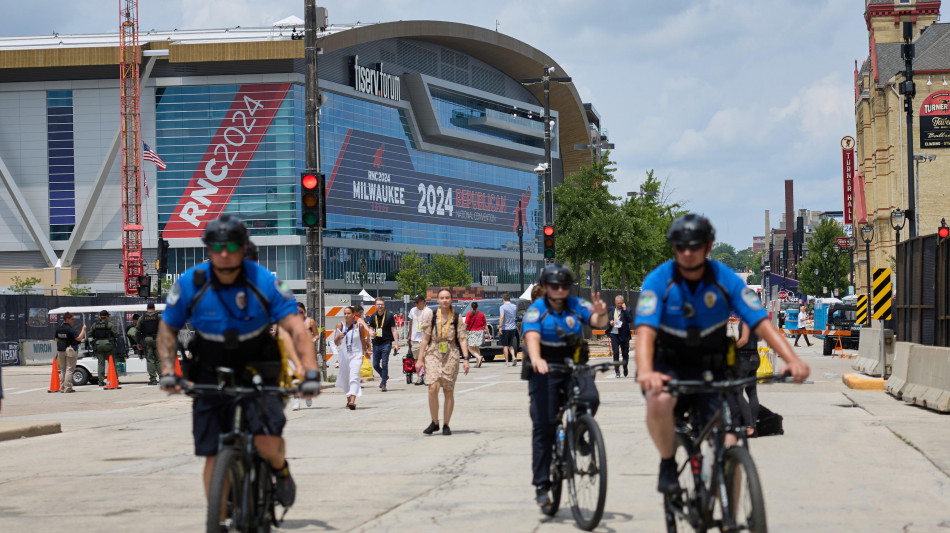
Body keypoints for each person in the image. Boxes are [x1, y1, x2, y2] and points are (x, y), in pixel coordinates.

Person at [633, 213, 810, 495]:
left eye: (696, 245)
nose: (688, 252)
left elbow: (761, 323)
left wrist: (793, 359)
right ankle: (668, 462)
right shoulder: (659, 280)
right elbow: (645, 333)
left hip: (712, 367)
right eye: (681, 247)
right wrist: (645, 371)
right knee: (659, 403)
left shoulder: (723, 278)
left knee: (731, 443)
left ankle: (731, 519)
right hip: (670, 365)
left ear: (709, 246)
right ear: (673, 248)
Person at [157, 214, 320, 508]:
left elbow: (296, 328)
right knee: (211, 454)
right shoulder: (190, 283)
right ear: (208, 248)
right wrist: (169, 370)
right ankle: (217, 520)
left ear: (242, 247)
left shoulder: (266, 282)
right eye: (217, 247)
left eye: (232, 247)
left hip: (258, 363)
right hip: (209, 367)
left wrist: (310, 372)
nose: (224, 253)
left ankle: (280, 470)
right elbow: (167, 329)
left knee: (266, 442)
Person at [523, 264, 608, 507]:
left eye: (564, 286)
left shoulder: (576, 305)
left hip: (574, 363)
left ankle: (579, 431)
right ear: (546, 287)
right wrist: (537, 358)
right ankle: (542, 485)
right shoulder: (536, 310)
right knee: (544, 426)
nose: (559, 290)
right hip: (545, 367)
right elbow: (531, 336)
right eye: (554, 286)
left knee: (590, 398)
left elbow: (595, 320)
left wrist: (601, 313)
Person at [416, 288, 470, 435]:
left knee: (448, 390)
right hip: (433, 352)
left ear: (451, 299)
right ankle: (434, 422)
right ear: (438, 300)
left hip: (450, 354)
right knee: (433, 386)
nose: (445, 300)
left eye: (447, 298)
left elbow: (462, 339)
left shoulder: (456, 317)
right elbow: (425, 339)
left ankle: (446, 424)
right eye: (442, 298)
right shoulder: (432, 316)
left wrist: (466, 359)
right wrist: (420, 359)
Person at [333, 306, 369, 409]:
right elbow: (336, 343)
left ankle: (353, 400)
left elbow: (362, 339)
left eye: (348, 313)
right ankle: (348, 399)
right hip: (344, 356)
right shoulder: (340, 326)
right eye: (345, 313)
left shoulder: (359, 326)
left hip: (356, 355)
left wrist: (365, 352)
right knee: (345, 378)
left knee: (354, 376)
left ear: (353, 315)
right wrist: (338, 338)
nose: (346, 315)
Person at [735, 321, 761, 437]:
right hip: (755, 356)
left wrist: (731, 348)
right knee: (752, 392)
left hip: (745, 357)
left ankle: (748, 425)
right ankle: (754, 426)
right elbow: (759, 338)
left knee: (737, 392)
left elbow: (744, 340)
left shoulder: (746, 320)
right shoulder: (756, 320)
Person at [369, 297, 399, 392]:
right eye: (378, 304)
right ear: (375, 306)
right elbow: (370, 328)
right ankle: (384, 376)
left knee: (385, 363)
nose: (380, 306)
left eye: (381, 304)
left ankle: (383, 384)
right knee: (375, 364)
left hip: (386, 342)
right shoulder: (373, 316)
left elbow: (394, 330)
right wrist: (371, 333)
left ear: (384, 305)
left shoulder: (389, 316)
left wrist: (396, 344)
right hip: (376, 343)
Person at [54, 312, 86, 393]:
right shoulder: (70, 329)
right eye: (72, 319)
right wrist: (83, 329)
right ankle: (68, 388)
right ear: (67, 319)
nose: (73, 321)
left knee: (63, 370)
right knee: (69, 369)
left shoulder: (59, 328)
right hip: (70, 349)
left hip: (61, 350)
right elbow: (78, 338)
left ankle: (62, 388)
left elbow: (56, 339)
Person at [90, 310, 121, 387]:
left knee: (101, 364)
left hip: (98, 345)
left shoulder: (95, 325)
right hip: (108, 345)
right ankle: (114, 379)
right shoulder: (109, 324)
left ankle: (100, 381)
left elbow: (89, 334)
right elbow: (116, 334)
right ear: (106, 316)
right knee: (112, 363)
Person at [606, 295, 634, 378]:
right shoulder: (610, 309)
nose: (620, 305)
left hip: (624, 335)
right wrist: (609, 322)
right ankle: (617, 371)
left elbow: (630, 320)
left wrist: (625, 310)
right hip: (614, 334)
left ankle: (625, 367)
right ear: (615, 303)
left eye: (621, 303)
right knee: (616, 353)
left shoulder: (628, 310)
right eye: (618, 303)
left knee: (625, 354)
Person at [407, 295, 432, 385]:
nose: (416, 304)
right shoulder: (413, 310)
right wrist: (409, 335)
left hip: (424, 338)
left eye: (417, 302)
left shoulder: (429, 311)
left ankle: (425, 376)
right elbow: (411, 323)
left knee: (424, 358)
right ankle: (419, 376)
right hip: (415, 338)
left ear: (423, 301)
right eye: (415, 302)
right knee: (416, 359)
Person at [138, 303, 162, 385]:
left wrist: (138, 342)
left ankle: (153, 379)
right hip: (158, 339)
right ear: (154, 308)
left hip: (147, 339)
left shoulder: (142, 318)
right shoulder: (159, 317)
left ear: (147, 308)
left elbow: (137, 330)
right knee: (159, 359)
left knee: (150, 359)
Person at [465, 302, 487, 368]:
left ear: (471, 307)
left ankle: (478, 357)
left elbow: (466, 324)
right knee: (477, 347)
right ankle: (478, 363)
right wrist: (488, 334)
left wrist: (462, 331)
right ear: (477, 306)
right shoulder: (481, 314)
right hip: (480, 331)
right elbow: (485, 325)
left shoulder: (469, 314)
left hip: (472, 332)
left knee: (469, 347)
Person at [499, 293, 519, 367]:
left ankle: (507, 362)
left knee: (505, 345)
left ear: (503, 299)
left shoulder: (502, 307)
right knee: (510, 345)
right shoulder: (514, 306)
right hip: (513, 327)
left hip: (505, 328)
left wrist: (500, 327)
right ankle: (513, 357)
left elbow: (502, 317)